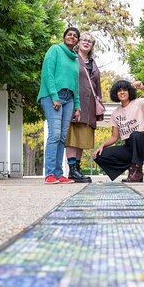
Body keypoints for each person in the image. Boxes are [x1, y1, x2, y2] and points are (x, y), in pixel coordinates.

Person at [37, 27, 81, 184]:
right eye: (69, 34)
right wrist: (55, 97)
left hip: (69, 98)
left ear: (77, 41)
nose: (72, 37)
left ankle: (58, 173)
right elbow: (47, 74)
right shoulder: (55, 50)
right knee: (54, 135)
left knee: (62, 137)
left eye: (75, 36)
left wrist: (77, 105)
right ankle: (49, 174)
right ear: (64, 37)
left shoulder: (75, 59)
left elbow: (75, 84)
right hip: (52, 96)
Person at [93, 80, 144, 182]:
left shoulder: (139, 103)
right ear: (116, 94)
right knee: (99, 156)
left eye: (125, 90)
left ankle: (136, 168)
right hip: (129, 146)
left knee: (135, 135)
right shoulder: (115, 113)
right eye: (119, 90)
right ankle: (133, 169)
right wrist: (102, 145)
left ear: (129, 91)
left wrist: (143, 88)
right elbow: (114, 137)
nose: (122, 92)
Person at [65, 32, 102, 183]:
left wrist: (99, 106)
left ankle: (77, 169)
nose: (87, 43)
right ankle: (72, 169)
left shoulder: (93, 62)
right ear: (78, 42)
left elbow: (97, 86)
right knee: (72, 136)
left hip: (90, 105)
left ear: (92, 46)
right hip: (75, 102)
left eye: (90, 41)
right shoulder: (71, 58)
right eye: (84, 40)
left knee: (82, 137)